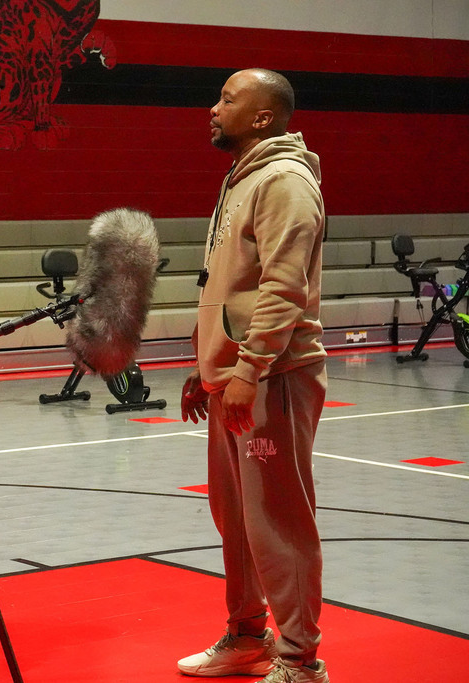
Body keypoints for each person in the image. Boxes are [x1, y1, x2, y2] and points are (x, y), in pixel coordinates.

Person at [177, 69, 330, 683]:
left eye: (228, 99)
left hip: (274, 377)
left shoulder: (286, 182)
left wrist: (249, 368)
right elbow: (227, 288)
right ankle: (248, 637)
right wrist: (206, 364)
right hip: (234, 377)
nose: (213, 109)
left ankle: (299, 660)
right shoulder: (243, 178)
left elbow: (282, 287)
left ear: (264, 116)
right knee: (236, 520)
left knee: (279, 521)